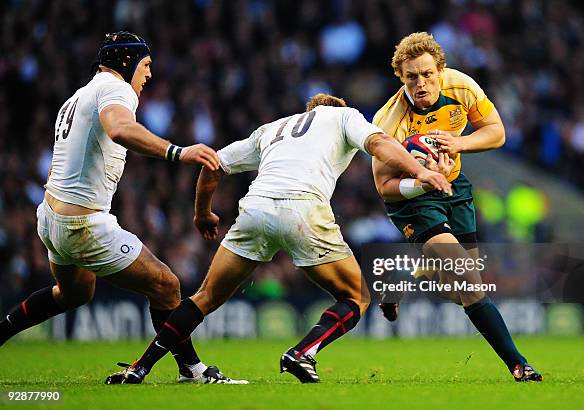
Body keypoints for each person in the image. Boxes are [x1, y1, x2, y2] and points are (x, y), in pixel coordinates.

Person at [105, 93, 453, 384]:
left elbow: (213, 164)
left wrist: (203, 213)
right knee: (357, 295)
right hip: (303, 207)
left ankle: (140, 368)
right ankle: (302, 353)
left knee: (205, 297)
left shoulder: (272, 129)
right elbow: (380, 143)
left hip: (256, 207)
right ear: (333, 107)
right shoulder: (344, 115)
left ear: (309, 110)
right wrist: (421, 171)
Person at [0, 31, 244, 384]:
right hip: (82, 224)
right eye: (146, 66)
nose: (149, 76)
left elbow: (57, 166)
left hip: (51, 218)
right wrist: (179, 152)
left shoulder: (77, 97)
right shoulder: (116, 89)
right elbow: (119, 129)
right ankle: (193, 370)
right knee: (166, 285)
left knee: (73, 293)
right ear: (127, 63)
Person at [371, 32, 542, 382]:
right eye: (411, 77)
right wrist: (421, 181)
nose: (421, 83)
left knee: (460, 289)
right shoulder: (387, 121)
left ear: (440, 70)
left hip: (455, 188)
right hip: (412, 200)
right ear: (401, 78)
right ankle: (519, 364)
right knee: (466, 274)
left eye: (427, 74)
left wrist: (460, 143)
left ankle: (399, 279)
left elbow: (497, 132)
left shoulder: (461, 87)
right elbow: (383, 187)